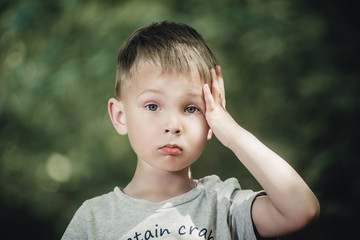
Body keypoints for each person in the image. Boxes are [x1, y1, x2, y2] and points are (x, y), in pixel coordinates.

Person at [62, 21, 320, 240]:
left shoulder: (224, 206)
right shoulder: (93, 219)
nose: (173, 125)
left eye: (191, 109)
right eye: (153, 105)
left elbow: (302, 210)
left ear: (210, 120)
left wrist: (231, 131)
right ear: (120, 116)